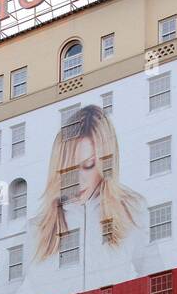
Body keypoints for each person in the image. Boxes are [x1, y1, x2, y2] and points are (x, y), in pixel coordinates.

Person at [31, 103, 146, 283]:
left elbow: (159, 276)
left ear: (105, 162)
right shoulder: (35, 230)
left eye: (89, 165)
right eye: (69, 169)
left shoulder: (132, 211)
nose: (78, 179)